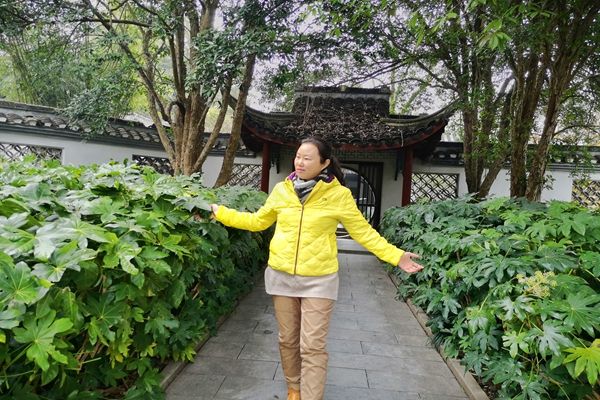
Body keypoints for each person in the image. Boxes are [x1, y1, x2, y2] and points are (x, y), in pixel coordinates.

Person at [209, 137, 423, 400]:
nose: (300, 162)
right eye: (298, 156)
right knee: (287, 340)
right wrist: (220, 213)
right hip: (282, 276)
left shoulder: (339, 195)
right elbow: (257, 222)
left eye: (307, 158)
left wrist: (397, 256)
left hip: (319, 280)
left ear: (324, 163)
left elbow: (364, 232)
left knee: (312, 346)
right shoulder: (281, 190)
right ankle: (294, 388)